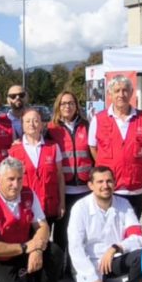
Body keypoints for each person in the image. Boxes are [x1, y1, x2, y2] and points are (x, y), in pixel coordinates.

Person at [67, 166, 142, 282]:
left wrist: (115, 248)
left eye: (109, 181)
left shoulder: (124, 204)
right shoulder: (80, 208)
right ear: (91, 185)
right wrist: (92, 278)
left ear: (115, 183)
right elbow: (75, 248)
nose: (105, 185)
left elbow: (138, 238)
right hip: (90, 262)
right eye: (100, 182)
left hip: (112, 260)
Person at [89, 75, 142, 219]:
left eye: (125, 90)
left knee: (132, 228)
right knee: (107, 228)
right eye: (117, 91)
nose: (121, 94)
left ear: (131, 93)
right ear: (110, 94)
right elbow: (93, 149)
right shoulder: (98, 119)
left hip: (134, 189)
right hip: (108, 189)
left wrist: (132, 162)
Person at [47, 91, 93, 257]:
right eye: (63, 103)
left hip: (85, 188)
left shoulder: (87, 126)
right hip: (63, 190)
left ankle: (79, 264)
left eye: (71, 103)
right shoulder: (51, 129)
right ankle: (60, 266)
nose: (67, 106)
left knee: (83, 231)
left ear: (76, 106)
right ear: (58, 106)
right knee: (62, 232)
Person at [8, 108, 65, 227]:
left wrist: (62, 203)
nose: (32, 124)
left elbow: (60, 176)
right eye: (28, 121)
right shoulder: (14, 151)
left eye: (35, 121)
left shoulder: (53, 147)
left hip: (49, 206)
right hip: (25, 208)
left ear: (42, 124)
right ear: (22, 125)